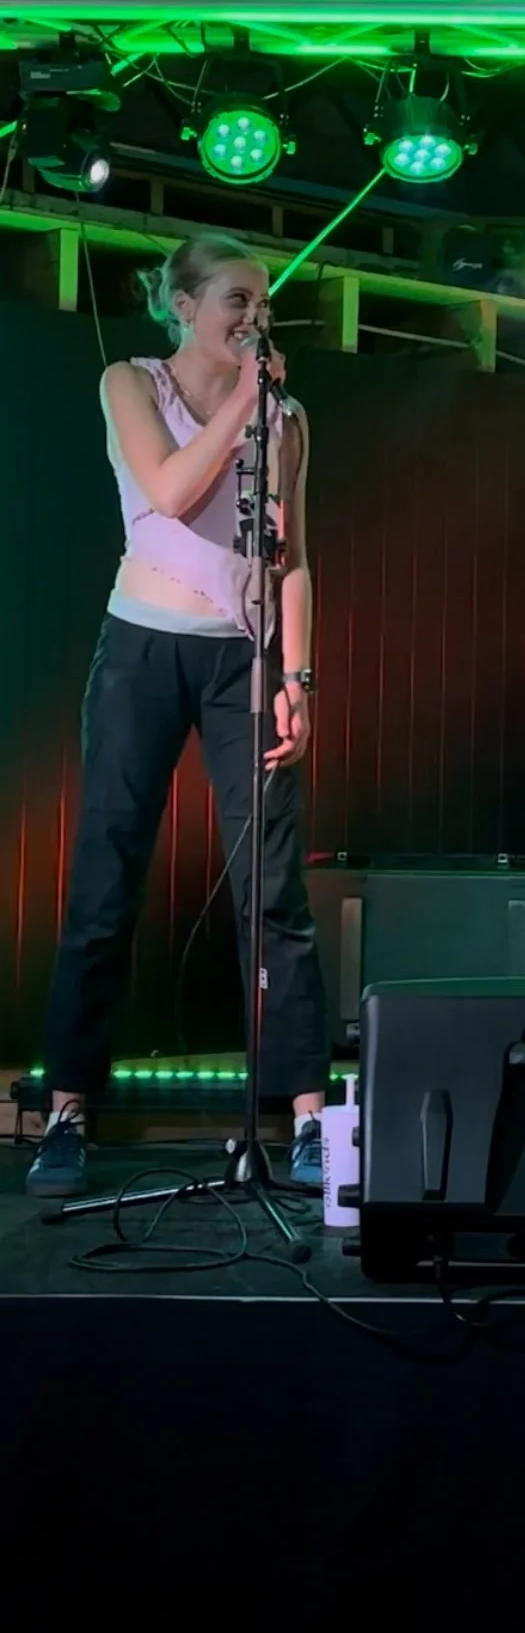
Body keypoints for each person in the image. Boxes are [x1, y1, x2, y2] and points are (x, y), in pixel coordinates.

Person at [26, 233, 331, 1198]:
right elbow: (168, 488)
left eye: (263, 301)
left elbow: (293, 556)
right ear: (185, 305)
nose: (254, 316)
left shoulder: (287, 419)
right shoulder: (131, 383)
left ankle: (308, 1113)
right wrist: (244, 400)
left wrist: (299, 677)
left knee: (272, 888)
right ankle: (67, 1108)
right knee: (107, 874)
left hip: (245, 658)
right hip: (143, 650)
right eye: (236, 299)